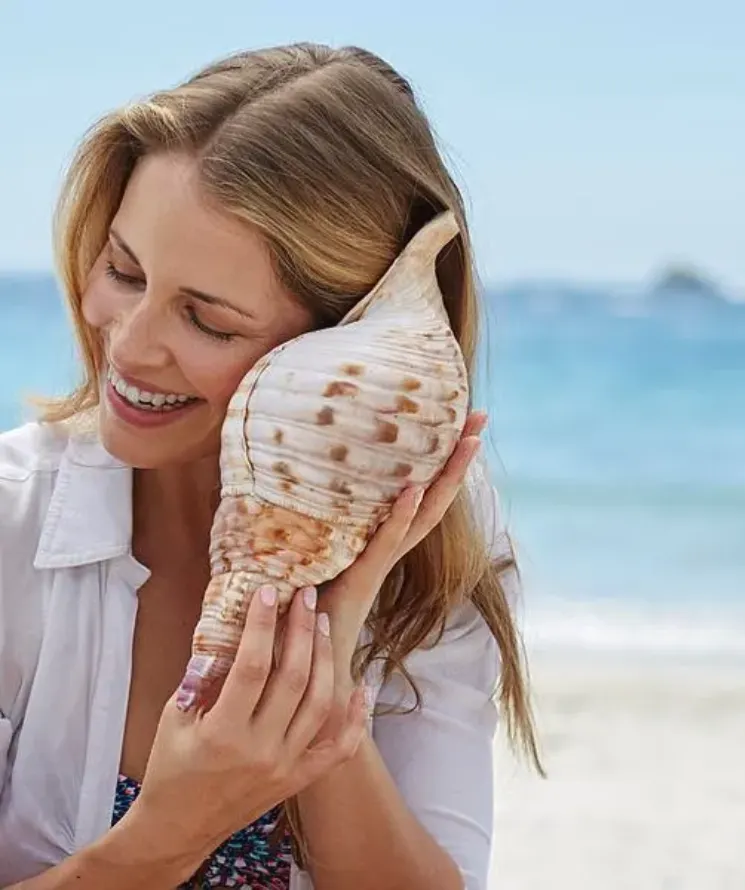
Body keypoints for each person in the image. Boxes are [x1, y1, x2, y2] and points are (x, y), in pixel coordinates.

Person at [0, 43, 542, 890]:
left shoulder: (424, 546)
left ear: (342, 348)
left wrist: (318, 658)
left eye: (209, 322)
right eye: (123, 271)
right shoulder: (10, 525)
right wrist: (167, 833)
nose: (131, 344)